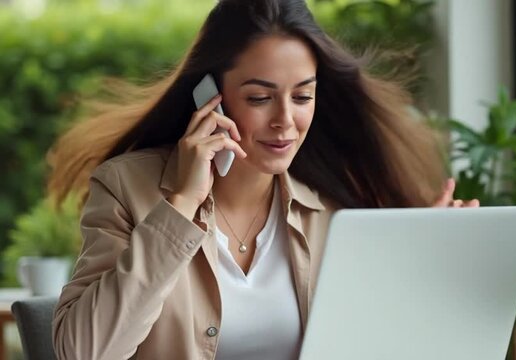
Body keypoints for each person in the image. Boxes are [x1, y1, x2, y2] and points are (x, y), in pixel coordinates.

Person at [47, 0, 478, 359]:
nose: (285, 122)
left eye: (303, 96)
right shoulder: (126, 187)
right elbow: (83, 351)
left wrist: (421, 263)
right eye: (260, 98)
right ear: (210, 97)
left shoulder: (336, 207)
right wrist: (180, 205)